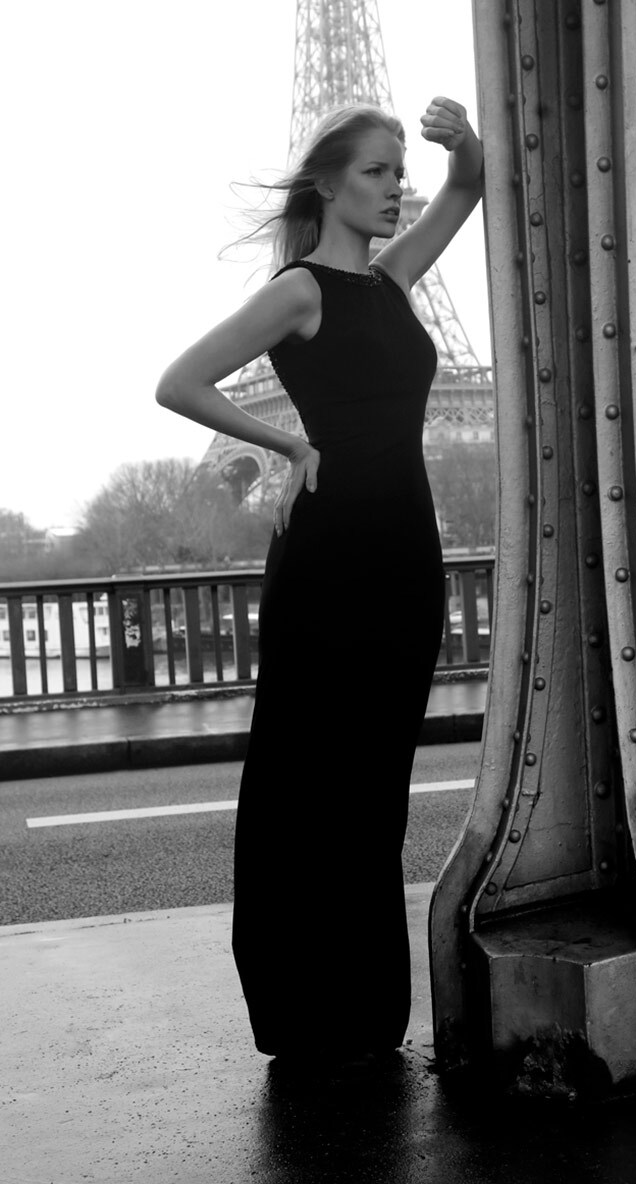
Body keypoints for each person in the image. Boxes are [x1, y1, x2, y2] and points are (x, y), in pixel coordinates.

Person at [155, 97, 484, 1070]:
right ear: (328, 186)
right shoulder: (299, 291)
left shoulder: (393, 278)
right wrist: (288, 444)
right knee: (313, 780)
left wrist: (460, 143)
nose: (395, 188)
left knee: (376, 788)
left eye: (398, 172)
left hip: (405, 555)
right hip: (330, 555)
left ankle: (363, 1006)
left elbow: (467, 187)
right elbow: (180, 381)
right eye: (377, 172)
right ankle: (305, 1009)